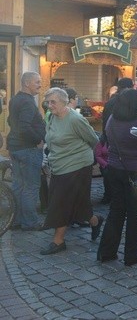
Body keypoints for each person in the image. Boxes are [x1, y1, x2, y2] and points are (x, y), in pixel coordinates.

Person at [40, 87, 104, 255]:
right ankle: (95, 221)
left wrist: (80, 155)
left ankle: (58, 241)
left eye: (53, 102)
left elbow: (93, 139)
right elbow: (51, 138)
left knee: (60, 202)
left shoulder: (75, 119)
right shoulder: (53, 117)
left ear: (64, 101)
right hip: (59, 165)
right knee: (78, 203)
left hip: (77, 165)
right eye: (48, 102)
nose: (49, 105)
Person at [97, 89, 137, 265]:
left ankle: (106, 251)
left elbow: (108, 138)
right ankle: (131, 255)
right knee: (134, 214)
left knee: (116, 211)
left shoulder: (112, 119)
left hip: (114, 168)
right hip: (135, 171)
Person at [8, 71, 46, 231]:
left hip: (15, 147)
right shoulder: (28, 103)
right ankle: (30, 223)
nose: (40, 85)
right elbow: (24, 126)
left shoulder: (15, 99)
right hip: (27, 149)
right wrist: (38, 139)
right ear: (27, 83)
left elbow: (11, 120)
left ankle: (14, 220)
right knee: (30, 187)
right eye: (37, 82)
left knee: (18, 185)